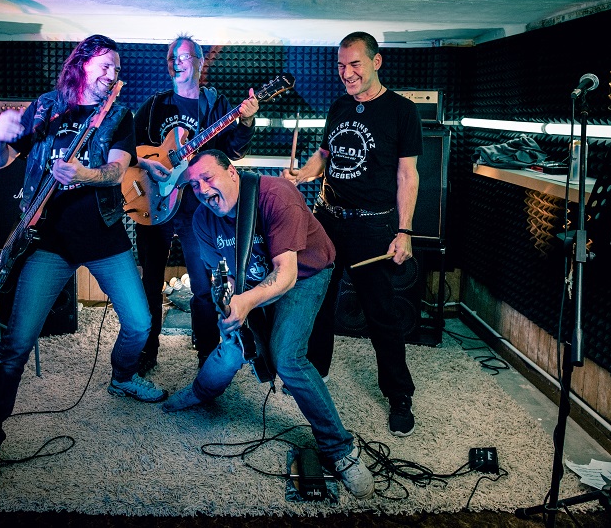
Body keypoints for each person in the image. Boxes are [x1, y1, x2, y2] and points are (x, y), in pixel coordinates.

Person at [0, 35, 168, 493]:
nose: (111, 75)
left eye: (117, 69)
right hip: (48, 243)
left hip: (104, 236)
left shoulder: (120, 116)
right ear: (82, 63)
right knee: (16, 345)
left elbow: (117, 171)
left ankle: (122, 376)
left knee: (138, 323)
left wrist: (85, 175)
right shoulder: (45, 108)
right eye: (105, 65)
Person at [162, 149, 375, 499]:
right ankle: (199, 393)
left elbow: (287, 274)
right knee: (232, 348)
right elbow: (223, 276)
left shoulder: (276, 195)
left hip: (304, 273)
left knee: (288, 357)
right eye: (194, 183)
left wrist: (246, 302)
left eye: (208, 178)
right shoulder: (202, 219)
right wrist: (229, 304)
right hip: (253, 277)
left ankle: (340, 450)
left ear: (232, 172)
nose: (201, 189)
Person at [284, 31, 423, 438]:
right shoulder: (340, 105)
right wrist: (303, 174)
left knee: (381, 313)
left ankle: (399, 394)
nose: (346, 73)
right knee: (317, 302)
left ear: (376, 62)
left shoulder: (401, 112)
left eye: (355, 64)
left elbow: (407, 174)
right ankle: (316, 373)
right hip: (326, 220)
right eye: (341, 65)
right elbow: (325, 156)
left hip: (373, 225)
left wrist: (405, 231)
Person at [133, 35, 259, 375]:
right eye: (172, 56)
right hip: (153, 201)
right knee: (149, 281)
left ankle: (205, 352)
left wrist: (246, 121)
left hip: (197, 207)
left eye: (184, 56)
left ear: (200, 63)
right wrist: (148, 165)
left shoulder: (215, 105)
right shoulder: (156, 105)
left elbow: (232, 152)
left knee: (204, 285)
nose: (177, 61)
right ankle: (146, 350)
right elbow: (131, 150)